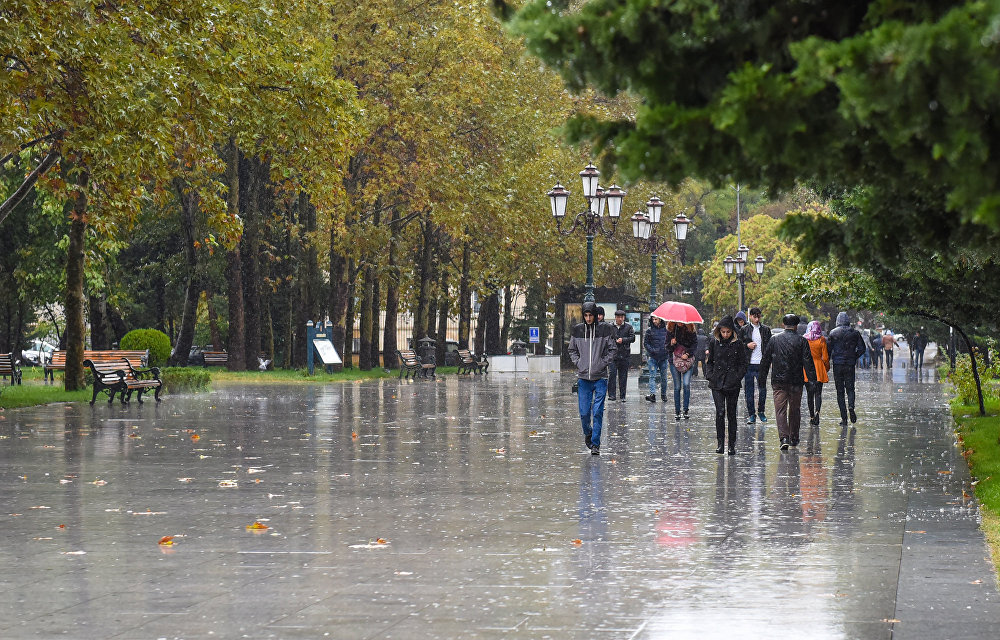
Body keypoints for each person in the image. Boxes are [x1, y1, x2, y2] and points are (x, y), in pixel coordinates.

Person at [760, 314, 817, 450]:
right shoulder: (802, 341)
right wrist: (812, 381)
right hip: (796, 381)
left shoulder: (774, 340)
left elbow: (765, 361)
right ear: (796, 326)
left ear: (783, 325)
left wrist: (762, 379)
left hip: (779, 380)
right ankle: (794, 436)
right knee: (795, 409)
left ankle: (784, 437)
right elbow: (808, 362)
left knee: (780, 410)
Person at [568, 301, 616, 455]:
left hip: (601, 377)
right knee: (583, 413)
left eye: (591, 315)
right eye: (586, 315)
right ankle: (588, 433)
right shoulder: (577, 330)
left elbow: (612, 349)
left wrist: (603, 363)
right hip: (583, 378)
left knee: (597, 411)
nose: (588, 318)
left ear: (595, 316)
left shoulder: (605, 329)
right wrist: (578, 363)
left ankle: (595, 444)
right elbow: (572, 349)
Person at [706, 315, 747, 455]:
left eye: (727, 332)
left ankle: (731, 445)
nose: (725, 334)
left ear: (732, 331)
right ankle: (720, 443)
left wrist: (737, 377)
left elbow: (743, 364)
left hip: (732, 383)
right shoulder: (714, 342)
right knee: (720, 412)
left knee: (731, 413)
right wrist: (710, 375)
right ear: (719, 331)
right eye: (723, 332)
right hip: (717, 382)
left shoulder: (738, 344)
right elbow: (709, 361)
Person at [828, 312, 869, 427]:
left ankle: (844, 418)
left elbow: (828, 350)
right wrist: (854, 356)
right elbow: (862, 348)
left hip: (838, 364)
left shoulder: (833, 333)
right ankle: (851, 406)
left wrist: (831, 359)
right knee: (850, 389)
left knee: (840, 392)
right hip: (850, 364)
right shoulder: (855, 333)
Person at [739, 306, 772, 425]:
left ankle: (761, 411)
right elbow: (738, 344)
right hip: (748, 364)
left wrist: (769, 360)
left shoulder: (766, 330)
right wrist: (746, 345)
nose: (757, 319)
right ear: (750, 316)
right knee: (749, 390)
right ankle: (751, 414)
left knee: (762, 389)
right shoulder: (744, 329)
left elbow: (769, 346)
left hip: (762, 364)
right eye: (754, 316)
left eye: (758, 316)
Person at [668, 322, 698, 420]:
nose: (680, 323)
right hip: (674, 361)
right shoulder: (671, 329)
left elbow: (695, 344)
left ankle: (685, 410)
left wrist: (688, 353)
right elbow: (667, 348)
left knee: (686, 384)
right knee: (677, 387)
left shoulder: (690, 329)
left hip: (687, 362)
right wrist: (671, 344)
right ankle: (677, 411)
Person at [803, 320, 830, 425]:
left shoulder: (804, 339)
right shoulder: (822, 339)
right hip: (819, 367)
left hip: (807, 368)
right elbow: (825, 357)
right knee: (818, 393)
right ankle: (817, 412)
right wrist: (826, 368)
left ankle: (811, 416)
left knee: (809, 394)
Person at [607, 309, 635, 402]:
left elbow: (632, 338)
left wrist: (623, 340)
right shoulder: (610, 327)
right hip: (613, 355)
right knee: (612, 375)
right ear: (615, 317)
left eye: (621, 317)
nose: (620, 319)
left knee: (623, 376)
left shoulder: (628, 327)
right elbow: (607, 338)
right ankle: (612, 395)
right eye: (618, 317)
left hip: (624, 354)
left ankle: (622, 395)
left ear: (624, 318)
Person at [644, 315, 671, 403]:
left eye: (656, 319)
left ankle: (663, 394)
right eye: (653, 319)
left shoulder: (666, 331)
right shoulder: (649, 331)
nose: (654, 321)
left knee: (664, 377)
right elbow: (646, 343)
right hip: (653, 357)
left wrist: (666, 350)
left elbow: (669, 342)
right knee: (652, 376)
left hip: (663, 357)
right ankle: (653, 394)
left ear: (660, 319)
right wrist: (652, 350)